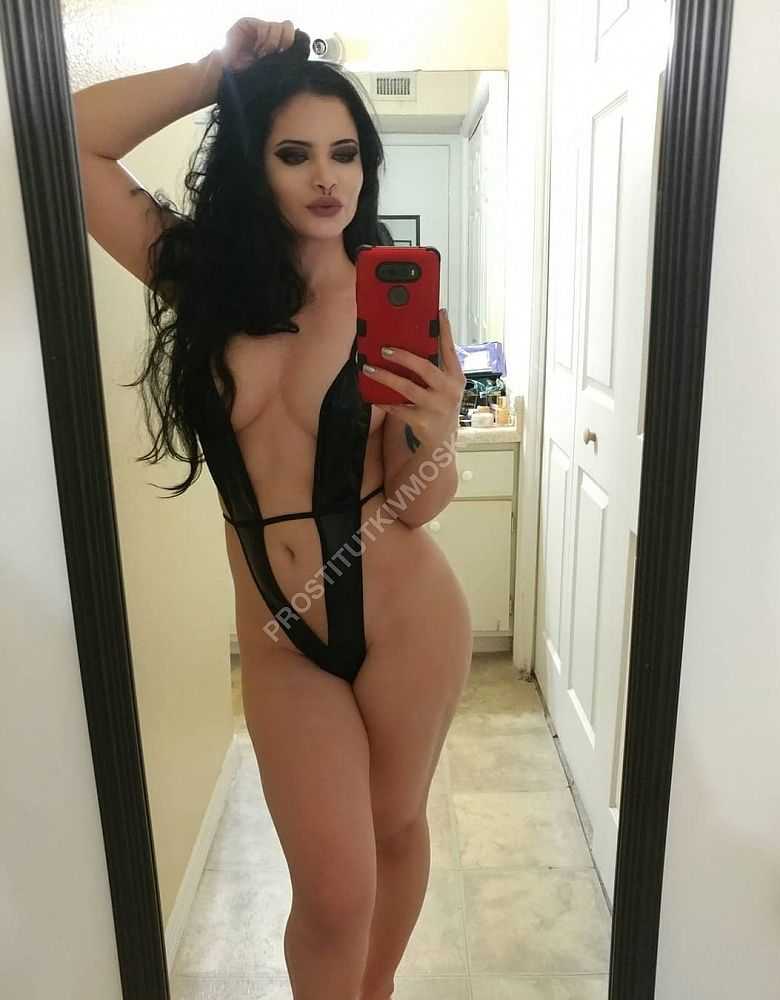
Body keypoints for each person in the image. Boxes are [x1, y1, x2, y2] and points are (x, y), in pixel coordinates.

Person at [73, 18, 472, 1000]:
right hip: (282, 638)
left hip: (407, 616)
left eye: (346, 153)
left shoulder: (393, 304)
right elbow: (70, 138)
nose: (327, 178)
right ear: (254, 164)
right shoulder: (201, 279)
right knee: (332, 894)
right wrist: (216, 74)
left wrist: (434, 428)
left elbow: (420, 505)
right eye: (295, 154)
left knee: (394, 828)